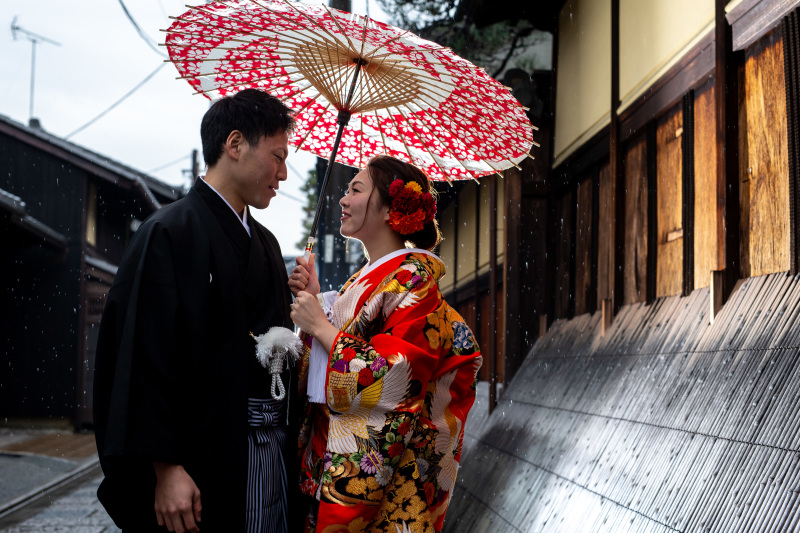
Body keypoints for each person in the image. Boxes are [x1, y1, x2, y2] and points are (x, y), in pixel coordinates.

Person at [93, 88, 302, 533]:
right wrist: (165, 468)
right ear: (234, 144)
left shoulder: (265, 244)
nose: (284, 173)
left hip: (269, 450)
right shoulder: (168, 232)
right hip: (198, 454)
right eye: (278, 156)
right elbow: (143, 358)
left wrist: (298, 300)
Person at [289, 155, 483, 533]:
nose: (343, 200)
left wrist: (323, 329)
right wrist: (317, 306)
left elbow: (397, 376)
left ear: (391, 210)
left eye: (356, 190)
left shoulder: (413, 281)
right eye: (345, 190)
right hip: (326, 461)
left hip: (387, 482)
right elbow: (331, 360)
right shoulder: (366, 279)